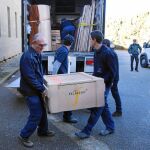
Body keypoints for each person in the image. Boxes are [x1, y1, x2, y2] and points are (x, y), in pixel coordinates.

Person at [75, 31, 116, 139]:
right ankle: (110, 127)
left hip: (104, 84)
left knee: (97, 106)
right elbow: (97, 69)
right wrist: (92, 78)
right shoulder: (96, 51)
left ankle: (86, 130)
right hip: (97, 82)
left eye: (90, 39)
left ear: (94, 40)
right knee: (103, 106)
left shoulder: (108, 53)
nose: (89, 41)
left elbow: (113, 72)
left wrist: (102, 82)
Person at [19, 33, 55, 148]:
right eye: (40, 45)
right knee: (36, 114)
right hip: (30, 91)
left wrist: (44, 83)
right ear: (33, 43)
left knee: (42, 111)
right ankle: (24, 135)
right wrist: (42, 89)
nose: (42, 47)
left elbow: (39, 72)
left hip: (37, 88)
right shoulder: (27, 57)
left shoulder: (37, 53)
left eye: (44, 45)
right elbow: (30, 78)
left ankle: (43, 131)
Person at [53, 34, 78, 124]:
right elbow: (56, 64)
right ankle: (67, 117)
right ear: (71, 43)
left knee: (65, 96)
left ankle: (65, 115)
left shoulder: (61, 49)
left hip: (62, 76)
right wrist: (53, 78)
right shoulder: (64, 51)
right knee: (69, 97)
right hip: (61, 77)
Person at [102, 39, 122, 117]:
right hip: (111, 76)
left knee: (115, 93)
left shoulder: (110, 53)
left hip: (113, 77)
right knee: (111, 92)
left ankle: (119, 110)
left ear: (106, 45)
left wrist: (113, 79)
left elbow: (113, 69)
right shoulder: (108, 52)